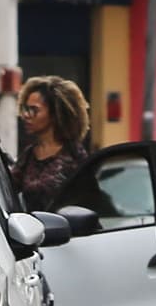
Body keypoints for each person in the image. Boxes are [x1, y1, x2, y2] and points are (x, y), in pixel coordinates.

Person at [13, 73, 96, 213]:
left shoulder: (74, 155)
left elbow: (89, 204)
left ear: (55, 114)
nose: (26, 115)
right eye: (26, 109)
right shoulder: (28, 156)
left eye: (34, 110)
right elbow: (7, 188)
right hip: (30, 232)